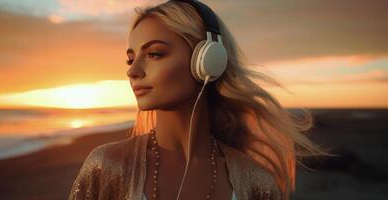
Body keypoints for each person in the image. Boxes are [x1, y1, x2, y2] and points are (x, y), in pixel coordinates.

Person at [68, 1, 328, 200]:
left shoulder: (256, 182)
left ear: (208, 62)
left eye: (155, 54)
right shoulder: (107, 166)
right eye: (130, 58)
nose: (132, 71)